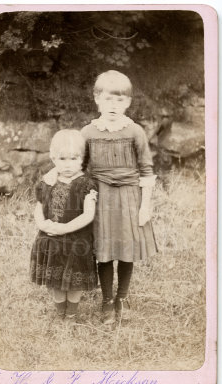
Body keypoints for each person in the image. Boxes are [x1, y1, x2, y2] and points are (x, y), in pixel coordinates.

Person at [44, 70, 157, 325]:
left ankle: (122, 297)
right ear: (97, 99)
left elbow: (147, 170)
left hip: (129, 198)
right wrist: (52, 174)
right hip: (100, 197)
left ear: (128, 102)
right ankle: (107, 301)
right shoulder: (89, 132)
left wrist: (145, 205)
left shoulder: (135, 131)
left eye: (120, 100)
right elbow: (76, 162)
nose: (114, 106)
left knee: (126, 250)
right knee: (104, 251)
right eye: (108, 100)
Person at [30, 129, 98, 324]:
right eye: (62, 159)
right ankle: (60, 312)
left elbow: (88, 214)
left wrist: (64, 228)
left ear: (82, 159)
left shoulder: (86, 184)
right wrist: (42, 224)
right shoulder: (47, 182)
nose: (68, 165)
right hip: (50, 240)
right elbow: (39, 207)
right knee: (55, 277)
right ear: (53, 158)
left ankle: (71, 314)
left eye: (74, 158)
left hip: (76, 242)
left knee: (74, 280)